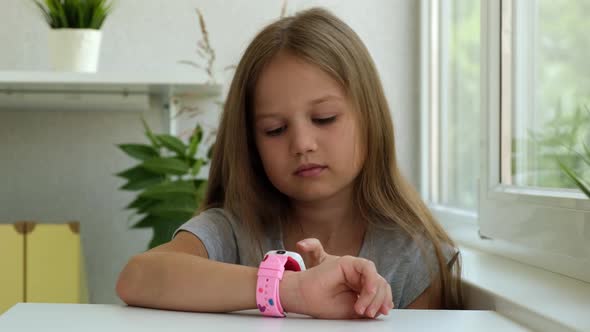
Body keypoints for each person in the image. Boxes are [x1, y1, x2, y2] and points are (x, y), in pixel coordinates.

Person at [116, 7, 462, 320]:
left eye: (324, 118)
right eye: (275, 129)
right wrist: (291, 290)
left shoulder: (416, 258)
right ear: (251, 143)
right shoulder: (233, 231)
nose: (302, 144)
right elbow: (138, 277)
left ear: (370, 116)